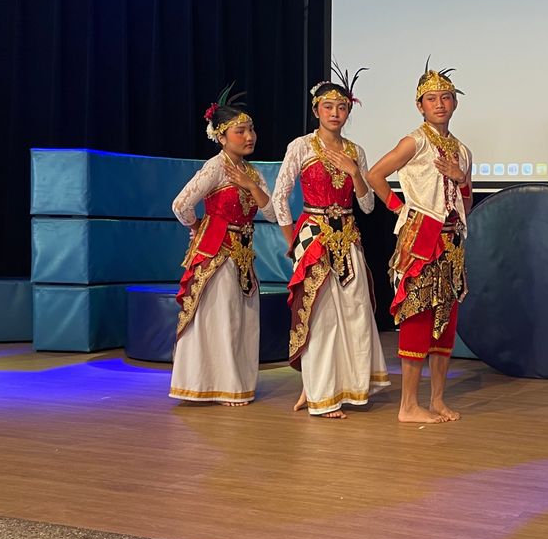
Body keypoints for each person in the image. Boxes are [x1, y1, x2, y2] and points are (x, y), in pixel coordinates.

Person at [272, 64, 390, 419]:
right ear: (316, 111)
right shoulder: (301, 147)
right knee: (320, 316)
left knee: (355, 313)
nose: (335, 113)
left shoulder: (356, 150)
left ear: (348, 111)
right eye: (328, 107)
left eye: (342, 108)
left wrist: (356, 174)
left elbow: (368, 205)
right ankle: (320, 394)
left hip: (349, 235)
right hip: (314, 234)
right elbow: (280, 197)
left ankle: (351, 389)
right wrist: (294, 241)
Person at [366, 60, 472, 424]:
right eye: (432, 99)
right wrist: (401, 210)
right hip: (422, 239)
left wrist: (461, 179)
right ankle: (408, 404)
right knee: (418, 316)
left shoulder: (462, 150)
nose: (440, 104)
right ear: (420, 106)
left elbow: (466, 203)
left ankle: (438, 399)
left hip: (452, 241)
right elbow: (375, 174)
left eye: (446, 97)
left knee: (445, 320)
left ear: (455, 103)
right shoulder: (416, 140)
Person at [170, 84, 274, 406]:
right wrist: (198, 226)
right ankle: (215, 386)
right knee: (221, 318)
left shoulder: (252, 172)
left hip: (244, 253)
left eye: (251, 129)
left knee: (243, 319)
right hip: (218, 252)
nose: (249, 136)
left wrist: (248, 185)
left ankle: (237, 384)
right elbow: (181, 204)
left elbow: (271, 212)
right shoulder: (215, 167)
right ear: (222, 136)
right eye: (240, 131)